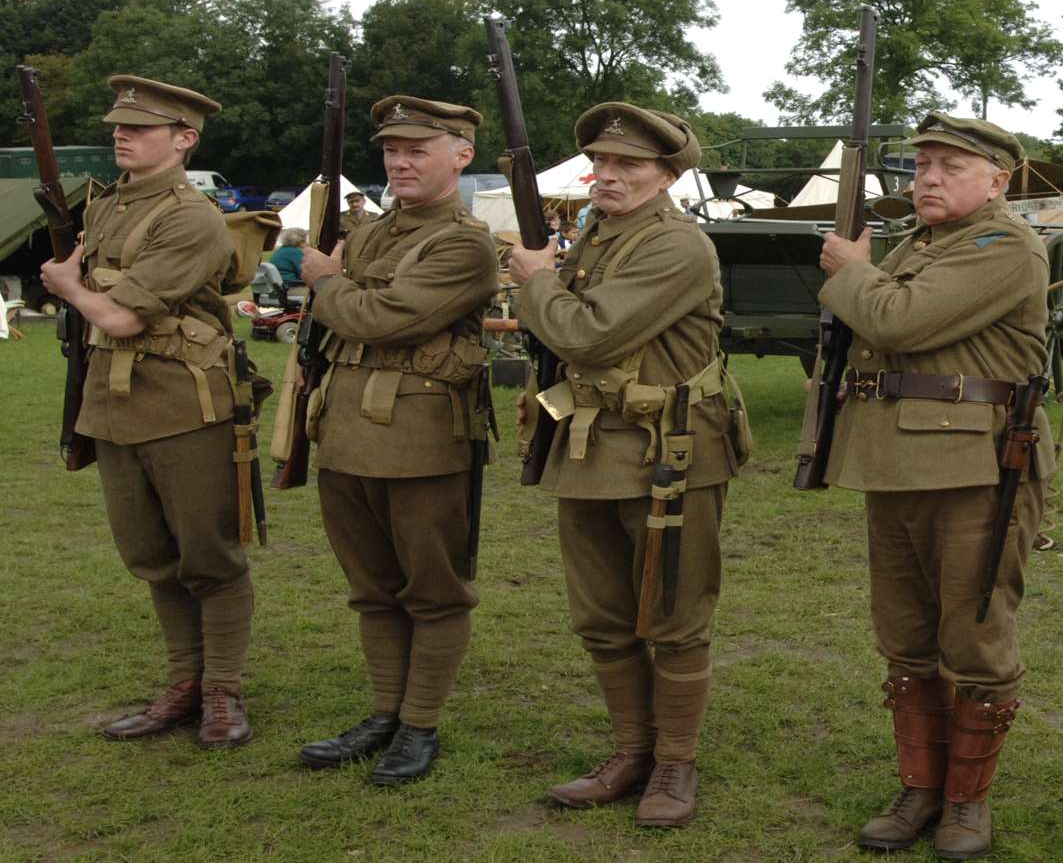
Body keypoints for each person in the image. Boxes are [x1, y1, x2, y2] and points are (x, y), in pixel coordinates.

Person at [817, 113, 1057, 860]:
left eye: (950, 166)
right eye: (922, 165)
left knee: (975, 635)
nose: (927, 179)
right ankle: (920, 787)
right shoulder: (922, 243)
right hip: (893, 459)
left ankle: (965, 803)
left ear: (998, 181)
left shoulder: (1002, 244)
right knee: (907, 635)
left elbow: (899, 320)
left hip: (977, 468)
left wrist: (850, 272)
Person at [506, 104, 748, 827]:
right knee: (603, 617)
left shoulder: (676, 245)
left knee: (674, 616)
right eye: (602, 164)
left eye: (628, 167)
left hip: (667, 453)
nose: (607, 176)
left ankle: (675, 764)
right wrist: (547, 278)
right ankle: (630, 752)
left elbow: (590, 335)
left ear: (668, 174)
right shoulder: (596, 235)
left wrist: (534, 280)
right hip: (586, 446)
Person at [39, 74, 257, 748]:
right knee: (153, 557)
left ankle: (222, 689)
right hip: (112, 405)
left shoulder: (191, 217)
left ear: (184, 139)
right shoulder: (108, 207)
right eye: (118, 125)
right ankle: (183, 682)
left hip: (184, 407)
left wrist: (70, 287)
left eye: (138, 127)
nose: (120, 134)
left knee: (209, 558)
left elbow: (123, 317)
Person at [296, 95, 499, 786]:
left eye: (418, 149)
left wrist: (327, 282)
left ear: (461, 156)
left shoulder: (464, 242)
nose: (400, 162)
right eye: (391, 150)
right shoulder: (379, 232)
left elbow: (387, 317)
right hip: (346, 430)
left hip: (420, 439)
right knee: (372, 588)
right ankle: (384, 713)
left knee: (433, 590)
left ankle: (419, 725)